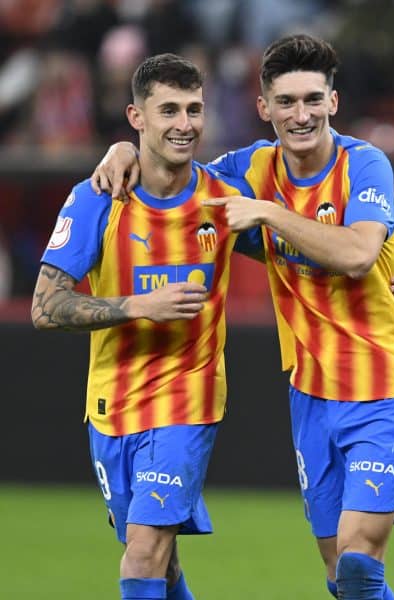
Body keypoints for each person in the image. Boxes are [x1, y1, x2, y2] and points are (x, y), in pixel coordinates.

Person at [92, 35, 394, 600]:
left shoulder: (365, 165)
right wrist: (125, 149)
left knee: (357, 562)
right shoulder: (246, 168)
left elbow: (356, 254)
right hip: (312, 394)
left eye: (314, 100)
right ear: (264, 108)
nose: (303, 115)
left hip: (385, 388)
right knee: (336, 574)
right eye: (288, 102)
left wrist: (271, 212)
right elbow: (171, 171)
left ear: (334, 102)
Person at [31, 53, 247, 600]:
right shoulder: (97, 200)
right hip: (111, 408)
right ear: (136, 117)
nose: (185, 124)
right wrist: (135, 306)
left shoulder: (224, 198)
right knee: (159, 562)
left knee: (145, 551)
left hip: (187, 401)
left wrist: (391, 265)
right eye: (168, 110)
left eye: (194, 109)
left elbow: (303, 243)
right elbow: (44, 306)